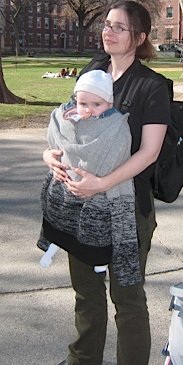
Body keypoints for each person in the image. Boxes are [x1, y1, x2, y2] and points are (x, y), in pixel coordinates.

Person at [43, 0, 171, 365]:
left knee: (128, 300)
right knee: (86, 293)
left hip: (128, 210)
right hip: (82, 207)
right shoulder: (93, 70)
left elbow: (149, 152)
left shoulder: (152, 86)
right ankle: (83, 361)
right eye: (106, 24)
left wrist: (102, 184)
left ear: (140, 37)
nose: (108, 32)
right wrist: (49, 154)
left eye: (119, 27)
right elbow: (69, 125)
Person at [38, 70, 137, 283]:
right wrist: (49, 155)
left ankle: (98, 258)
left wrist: (99, 175)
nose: (89, 109)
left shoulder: (115, 126)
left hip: (99, 188)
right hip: (67, 183)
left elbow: (119, 151)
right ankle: (54, 245)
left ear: (109, 104)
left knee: (96, 227)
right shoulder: (64, 118)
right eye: (83, 103)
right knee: (62, 219)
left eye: (96, 104)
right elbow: (55, 139)